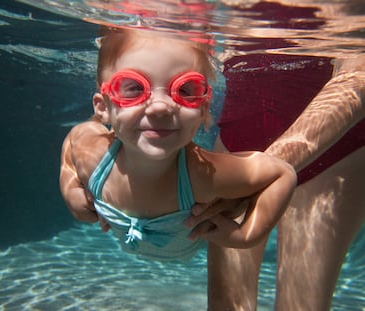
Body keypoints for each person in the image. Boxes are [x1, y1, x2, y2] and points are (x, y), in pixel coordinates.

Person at [59, 27, 297, 261]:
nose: (161, 106)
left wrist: (248, 235)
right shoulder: (94, 157)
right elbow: (73, 140)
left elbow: (281, 174)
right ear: (102, 107)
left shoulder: (201, 177)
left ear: (203, 110)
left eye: (184, 89)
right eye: (134, 88)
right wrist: (69, 187)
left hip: (186, 255)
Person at [185, 1, 365, 309]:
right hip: (237, 145)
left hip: (331, 149)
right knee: (225, 304)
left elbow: (359, 77)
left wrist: (252, 176)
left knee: (300, 304)